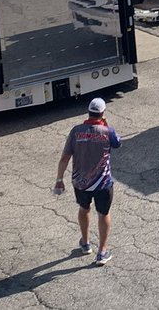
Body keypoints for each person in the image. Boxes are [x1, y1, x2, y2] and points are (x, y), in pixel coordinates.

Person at [54, 97, 121, 266]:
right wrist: (105, 125)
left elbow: (64, 157)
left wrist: (59, 179)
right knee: (103, 213)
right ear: (103, 113)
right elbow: (117, 143)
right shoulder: (108, 131)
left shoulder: (76, 131)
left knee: (84, 208)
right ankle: (102, 252)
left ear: (89, 112)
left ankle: (85, 243)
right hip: (103, 183)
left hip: (80, 183)